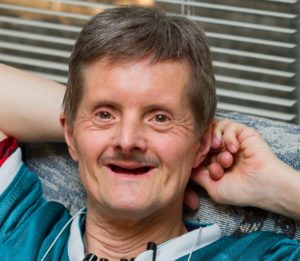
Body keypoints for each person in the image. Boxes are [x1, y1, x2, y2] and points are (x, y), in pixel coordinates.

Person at [0, 6, 299, 261]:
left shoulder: (262, 255)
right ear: (70, 132)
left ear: (202, 143)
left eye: (159, 117)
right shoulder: (18, 227)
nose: (128, 140)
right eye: (105, 113)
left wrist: (278, 190)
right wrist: (84, 125)